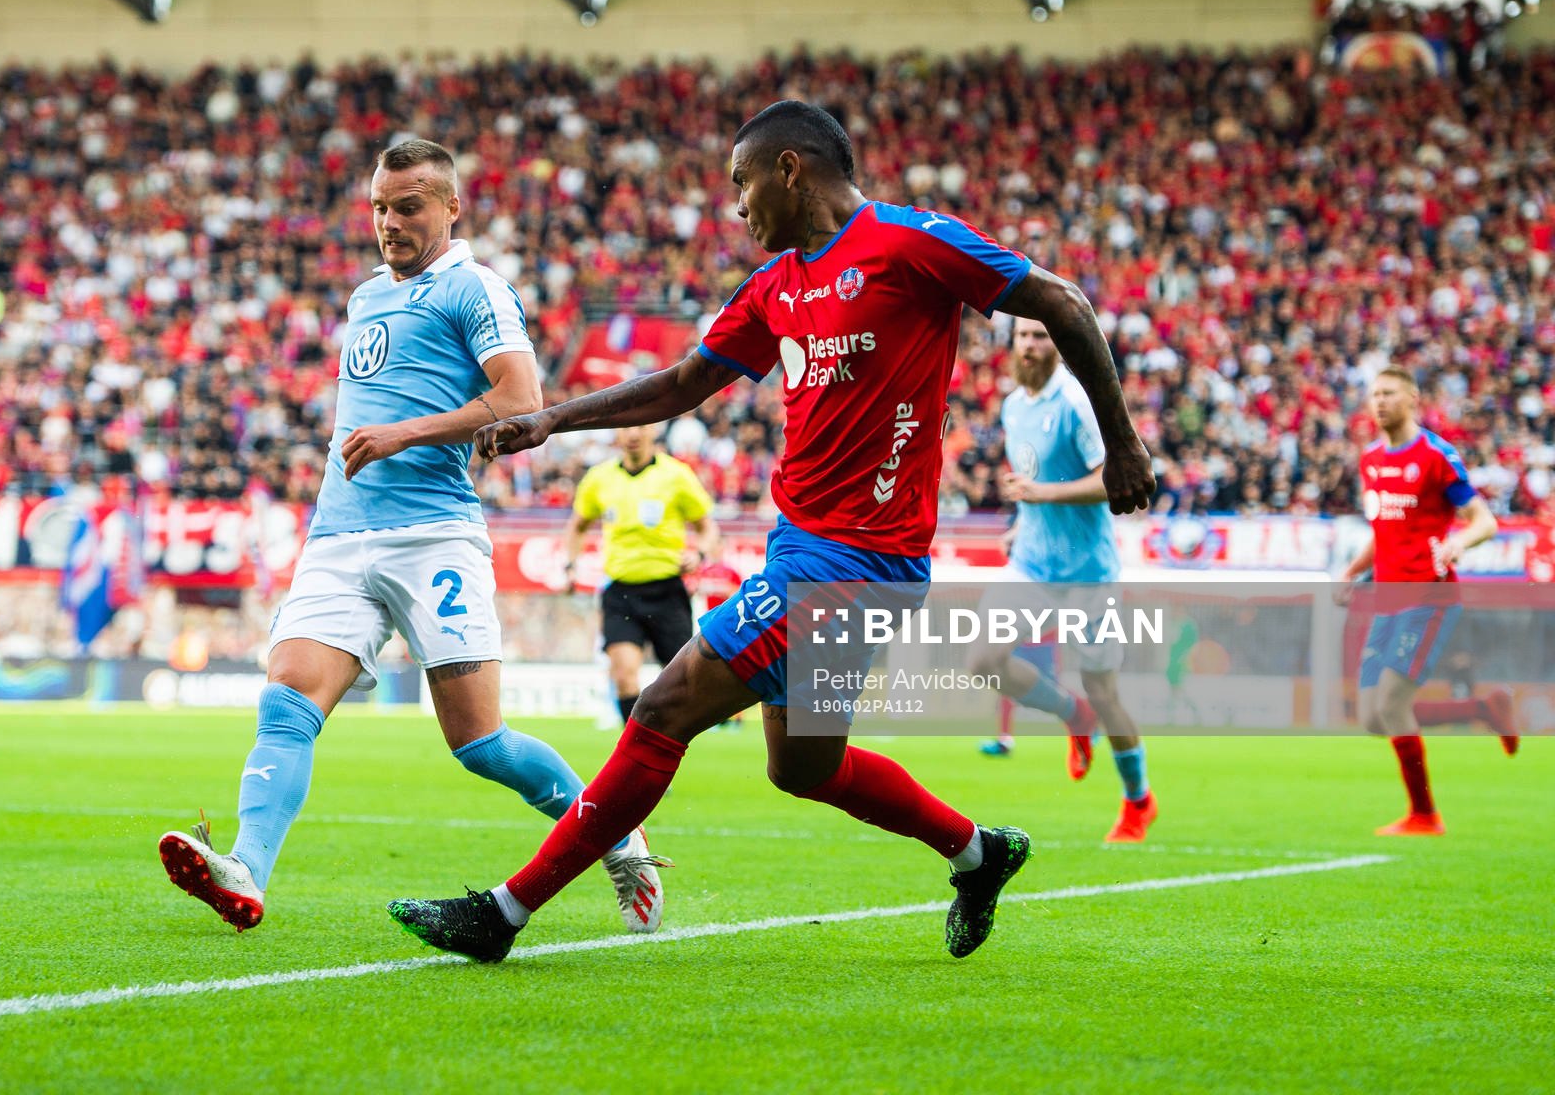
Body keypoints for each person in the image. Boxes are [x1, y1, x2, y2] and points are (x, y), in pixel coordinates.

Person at [385, 100, 1155, 964]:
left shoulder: (909, 243)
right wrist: (550, 421)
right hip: (805, 546)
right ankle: (981, 854)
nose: (738, 207)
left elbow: (1059, 298)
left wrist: (1122, 442)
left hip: (860, 562)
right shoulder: (775, 287)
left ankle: (505, 911)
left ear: (791, 169)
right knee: (804, 768)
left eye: (743, 184)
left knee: (665, 704)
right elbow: (682, 383)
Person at [157, 140, 663, 933]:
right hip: (339, 534)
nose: (389, 222)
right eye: (380, 208)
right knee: (286, 699)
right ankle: (246, 870)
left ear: (452, 207)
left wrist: (406, 434)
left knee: (480, 744)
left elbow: (522, 396)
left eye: (409, 206)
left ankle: (617, 835)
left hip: (432, 536)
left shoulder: (473, 287)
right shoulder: (365, 298)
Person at [977, 317, 1154, 842]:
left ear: (1058, 346)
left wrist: (1041, 497)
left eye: (1041, 337)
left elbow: (1115, 478)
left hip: (1088, 575)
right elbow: (1032, 483)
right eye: (1023, 337)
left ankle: (1138, 801)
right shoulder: (1012, 406)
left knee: (1105, 691)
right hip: (1031, 564)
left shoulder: (1077, 404)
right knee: (983, 659)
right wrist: (1021, 524)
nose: (1030, 346)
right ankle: (1070, 713)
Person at [1335, 367, 1516, 836]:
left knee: (1393, 703)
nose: (1379, 402)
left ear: (1412, 398)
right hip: (1388, 596)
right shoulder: (1371, 459)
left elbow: (1484, 521)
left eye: (1389, 393)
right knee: (1375, 717)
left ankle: (1424, 815)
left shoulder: (1437, 456)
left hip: (1430, 594)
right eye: (1374, 394)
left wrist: (1460, 543)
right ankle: (1481, 709)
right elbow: (1383, 530)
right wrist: (1354, 572)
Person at [562, 424, 720, 723]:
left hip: (667, 590)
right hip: (620, 592)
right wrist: (570, 565)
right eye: (625, 428)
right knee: (623, 675)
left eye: (640, 427)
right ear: (617, 435)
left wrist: (698, 552)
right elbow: (577, 526)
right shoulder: (599, 478)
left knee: (682, 683)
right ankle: (632, 746)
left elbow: (706, 525)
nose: (633, 435)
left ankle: (670, 741)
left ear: (652, 431)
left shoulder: (676, 475)